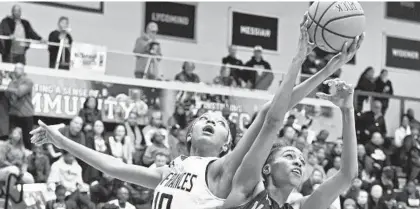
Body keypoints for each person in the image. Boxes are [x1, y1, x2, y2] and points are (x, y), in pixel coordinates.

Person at [30, 13, 353, 209]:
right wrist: (63, 141)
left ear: (228, 143)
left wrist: (322, 70)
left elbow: (270, 115)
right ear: (188, 133)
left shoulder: (224, 170)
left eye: (219, 121)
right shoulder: (170, 172)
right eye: (204, 119)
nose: (211, 119)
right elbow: (113, 166)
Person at [223, 78, 360, 209]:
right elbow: (271, 122)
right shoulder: (247, 190)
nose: (298, 163)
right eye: (289, 156)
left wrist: (348, 110)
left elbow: (348, 174)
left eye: (302, 161)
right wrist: (299, 62)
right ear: (266, 169)